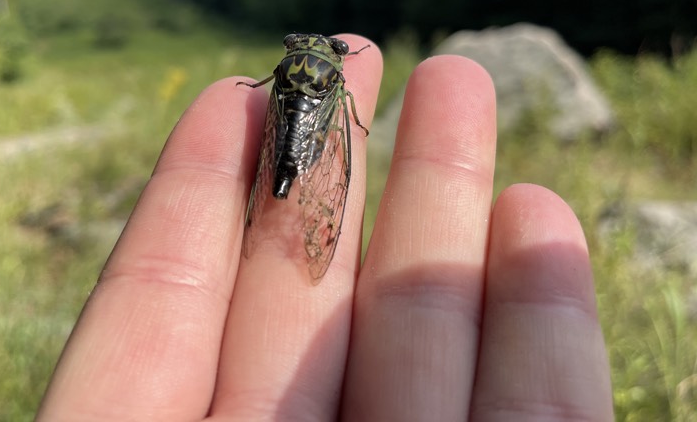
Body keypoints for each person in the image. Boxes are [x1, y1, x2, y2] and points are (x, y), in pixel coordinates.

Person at [36, 36, 614, 421]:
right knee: (313, 159)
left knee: (280, 156)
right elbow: (348, 122)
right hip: (317, 139)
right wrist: (345, 117)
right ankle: (288, 191)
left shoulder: (283, 74)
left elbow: (270, 99)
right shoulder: (334, 80)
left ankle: (280, 190)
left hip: (286, 127)